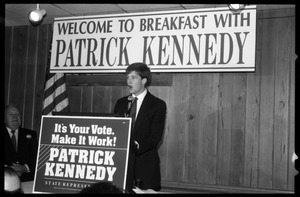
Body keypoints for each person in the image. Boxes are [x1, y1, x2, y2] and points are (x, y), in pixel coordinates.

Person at [114, 62, 167, 191]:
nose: (128, 81)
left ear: (144, 80)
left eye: (133, 77)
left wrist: (135, 146)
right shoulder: (121, 103)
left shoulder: (157, 105)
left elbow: (155, 137)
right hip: (121, 166)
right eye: (127, 77)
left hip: (145, 166)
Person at [4, 104, 38, 182]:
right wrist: (9, 170)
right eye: (11, 114)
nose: (15, 117)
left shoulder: (31, 134)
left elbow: (36, 157)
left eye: (18, 114)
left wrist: (25, 168)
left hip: (27, 179)